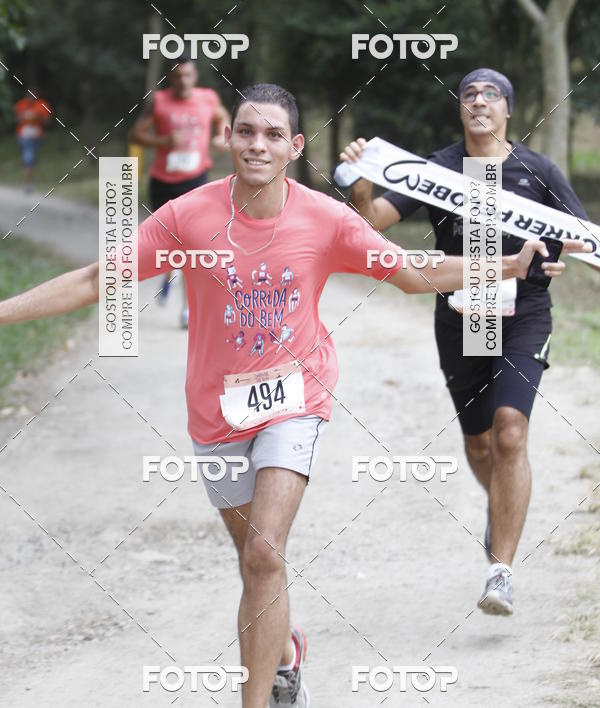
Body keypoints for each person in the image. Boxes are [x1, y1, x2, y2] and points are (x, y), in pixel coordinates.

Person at [0, 83, 579, 707]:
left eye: (273, 134)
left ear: (294, 146)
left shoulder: (323, 217)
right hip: (216, 412)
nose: (258, 144)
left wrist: (508, 266)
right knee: (256, 563)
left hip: (295, 401)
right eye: (247, 131)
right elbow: (97, 279)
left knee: (263, 554)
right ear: (228, 138)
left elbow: (413, 273)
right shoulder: (188, 216)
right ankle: (285, 653)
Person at [339, 67, 593, 617]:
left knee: (510, 432)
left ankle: (501, 570)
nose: (479, 101)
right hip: (462, 316)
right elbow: (372, 222)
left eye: (491, 94)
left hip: (524, 314)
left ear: (508, 110)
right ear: (460, 109)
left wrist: (554, 254)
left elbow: (581, 235)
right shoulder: (438, 168)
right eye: (469, 94)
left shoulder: (538, 170)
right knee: (480, 445)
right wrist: (360, 182)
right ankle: (502, 510)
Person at [128, 57, 230, 327]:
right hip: (163, 181)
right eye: (178, 76)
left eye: (187, 75)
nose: (183, 80)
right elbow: (136, 135)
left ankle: (187, 309)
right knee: (169, 242)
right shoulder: (158, 101)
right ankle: (169, 272)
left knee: (193, 244)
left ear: (195, 76)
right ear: (170, 78)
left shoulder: (208, 98)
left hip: (195, 179)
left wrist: (221, 135)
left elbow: (222, 116)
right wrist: (163, 140)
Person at [14, 89, 52, 192]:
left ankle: (30, 176)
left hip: (37, 136)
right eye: (29, 96)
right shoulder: (21, 104)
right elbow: (16, 119)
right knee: (29, 157)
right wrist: (24, 117)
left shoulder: (42, 105)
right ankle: (28, 183)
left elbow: (47, 121)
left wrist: (37, 117)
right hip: (24, 135)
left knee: (33, 157)